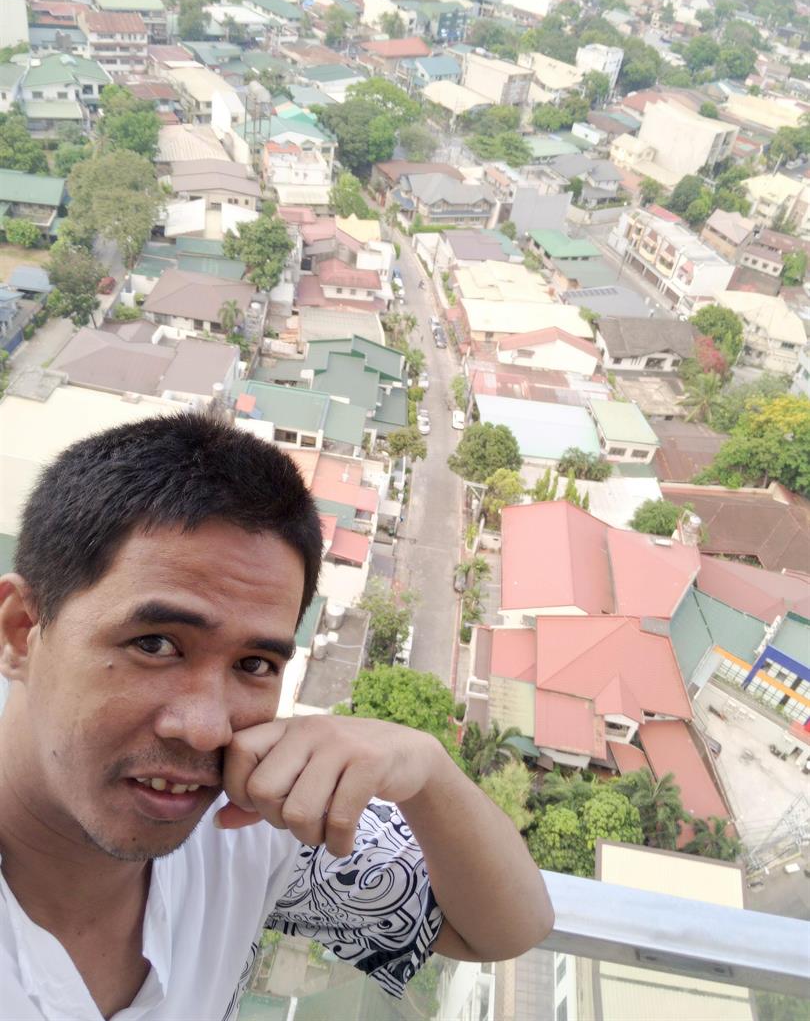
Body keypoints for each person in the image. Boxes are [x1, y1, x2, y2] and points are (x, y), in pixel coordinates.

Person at [0, 413, 553, 1020]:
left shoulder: (241, 826)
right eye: (155, 644)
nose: (207, 729)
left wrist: (425, 767)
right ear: (21, 632)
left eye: (255, 664)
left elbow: (504, 928)